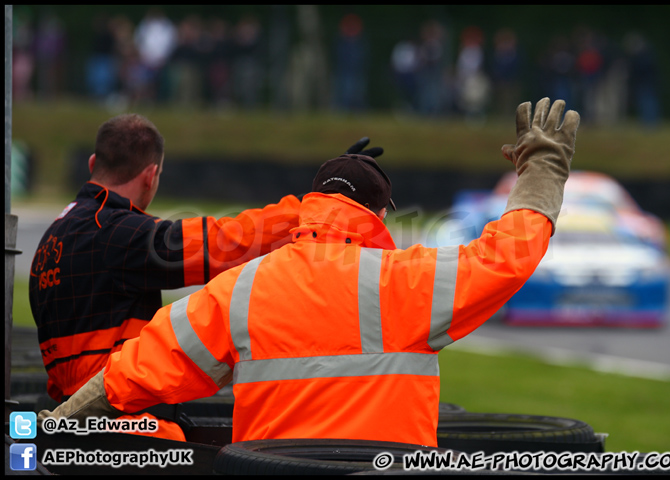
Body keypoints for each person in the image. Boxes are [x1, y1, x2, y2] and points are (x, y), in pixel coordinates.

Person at [39, 98, 580, 447]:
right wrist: (542, 176)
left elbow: (129, 374)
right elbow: (504, 257)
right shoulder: (412, 281)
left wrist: (50, 430)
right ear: (381, 216)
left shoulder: (239, 292)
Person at [30, 114, 375, 441]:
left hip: (70, 419)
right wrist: (321, 202)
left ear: (93, 164)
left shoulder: (53, 237)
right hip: (123, 426)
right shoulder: (119, 234)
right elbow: (227, 242)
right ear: (151, 175)